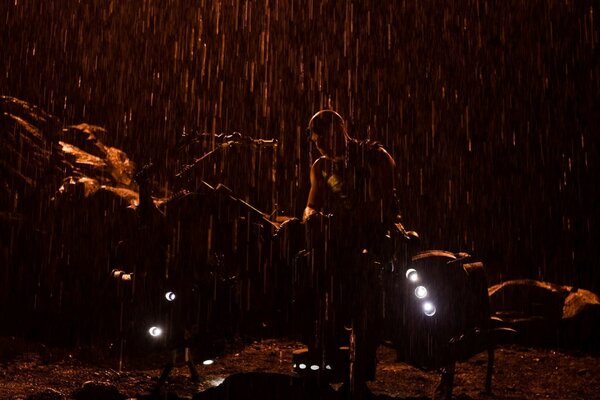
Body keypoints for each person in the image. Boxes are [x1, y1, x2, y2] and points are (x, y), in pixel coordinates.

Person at [302, 109, 397, 398]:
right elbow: (311, 205)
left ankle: (360, 374)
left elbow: (388, 208)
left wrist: (359, 223)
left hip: (374, 243)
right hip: (338, 245)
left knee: (366, 300)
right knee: (315, 285)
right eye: (317, 144)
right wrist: (312, 216)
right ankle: (325, 361)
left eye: (324, 141)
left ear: (339, 131)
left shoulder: (376, 158)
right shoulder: (321, 168)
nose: (321, 148)